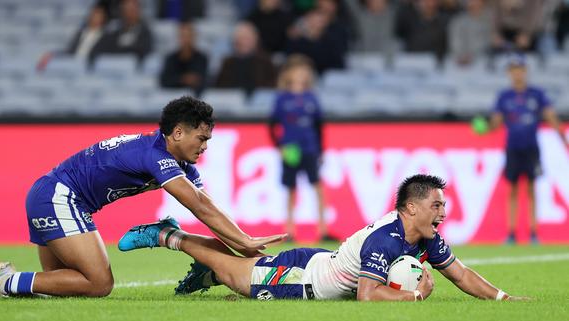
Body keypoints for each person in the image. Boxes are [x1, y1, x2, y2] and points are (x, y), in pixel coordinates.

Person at [0, 96, 285, 299]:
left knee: (62, 285)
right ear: (177, 132)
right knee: (100, 284)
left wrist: (239, 244)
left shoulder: (173, 160)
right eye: (201, 139)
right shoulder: (156, 156)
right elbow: (199, 206)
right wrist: (244, 241)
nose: (205, 147)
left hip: (56, 195)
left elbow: (209, 207)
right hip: (58, 197)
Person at [118, 174, 528, 302]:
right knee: (233, 273)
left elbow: (460, 273)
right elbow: (368, 295)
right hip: (303, 278)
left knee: (233, 272)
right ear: (412, 208)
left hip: (321, 263)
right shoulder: (386, 239)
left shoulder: (425, 237)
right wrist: (415, 295)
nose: (443, 212)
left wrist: (503, 299)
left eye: (443, 205)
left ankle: (204, 274)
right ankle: (168, 235)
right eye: (436, 206)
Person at [488, 54, 568, 245]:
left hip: (531, 148)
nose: (518, 73)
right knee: (513, 189)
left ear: (525, 71)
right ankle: (512, 232)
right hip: (513, 148)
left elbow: (550, 116)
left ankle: (533, 232)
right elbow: (496, 122)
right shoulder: (504, 96)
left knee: (531, 189)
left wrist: (563, 138)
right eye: (514, 69)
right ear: (510, 72)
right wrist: (485, 126)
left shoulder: (536, 94)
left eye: (520, 69)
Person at [268, 54, 335, 243]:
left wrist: (321, 150)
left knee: (318, 187)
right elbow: (272, 125)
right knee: (291, 189)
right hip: (291, 149)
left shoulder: (311, 98)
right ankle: (289, 230)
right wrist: (279, 147)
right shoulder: (282, 98)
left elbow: (318, 126)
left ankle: (323, 229)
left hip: (310, 147)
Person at [213, 22, 277, 95]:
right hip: (231, 101)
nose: (242, 42)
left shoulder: (265, 61)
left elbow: (271, 86)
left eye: (246, 38)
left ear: (255, 40)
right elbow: (219, 87)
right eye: (239, 38)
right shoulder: (227, 62)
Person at [159, 22, 208, 95]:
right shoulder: (171, 58)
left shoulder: (201, 58)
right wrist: (183, 79)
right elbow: (164, 81)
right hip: (172, 99)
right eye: (183, 36)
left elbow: (204, 80)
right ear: (179, 38)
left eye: (189, 36)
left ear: (194, 37)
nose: (186, 40)